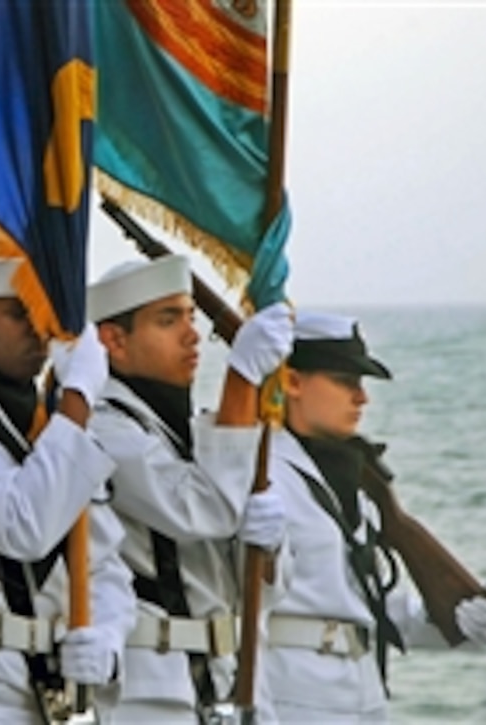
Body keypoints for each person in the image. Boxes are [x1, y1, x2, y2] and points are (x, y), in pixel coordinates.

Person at [0, 244, 136, 723]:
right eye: (19, 314)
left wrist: (106, 633)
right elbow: (21, 524)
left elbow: (103, 562)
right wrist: (79, 398)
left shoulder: (43, 419)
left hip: (51, 698)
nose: (40, 330)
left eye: (43, 313)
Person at [261, 311, 486, 722]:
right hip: (292, 698)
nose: (362, 397)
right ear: (293, 381)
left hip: (363, 695)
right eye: (345, 381)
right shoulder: (259, 473)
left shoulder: (354, 481)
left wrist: (444, 618)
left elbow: (360, 600)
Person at [86, 256, 293, 723]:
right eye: (168, 319)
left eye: (190, 317)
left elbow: (266, 588)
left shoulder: (185, 428)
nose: (191, 334)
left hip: (227, 677)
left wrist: (270, 545)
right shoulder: (102, 426)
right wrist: (241, 384)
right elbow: (200, 509)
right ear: (114, 341)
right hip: (150, 687)